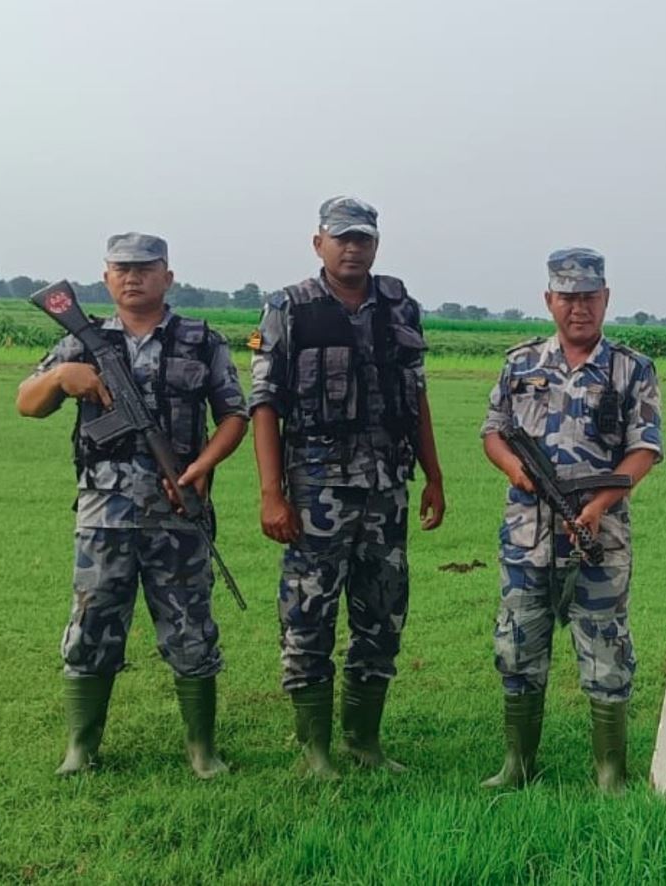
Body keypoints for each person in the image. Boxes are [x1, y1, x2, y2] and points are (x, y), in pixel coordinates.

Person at [16, 233, 248, 778]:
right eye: (121, 268)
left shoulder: (200, 340)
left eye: (145, 268)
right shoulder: (83, 340)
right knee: (93, 624)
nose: (132, 277)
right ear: (105, 278)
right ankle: (80, 748)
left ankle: (202, 751)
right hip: (104, 515)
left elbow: (233, 415)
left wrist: (202, 466)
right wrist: (59, 378)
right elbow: (27, 403)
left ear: (167, 276)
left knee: (191, 628)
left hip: (178, 508)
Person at [248, 197, 446, 778]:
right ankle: (314, 752)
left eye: (362, 238)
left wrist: (434, 474)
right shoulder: (288, 307)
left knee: (382, 613)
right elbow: (265, 404)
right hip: (316, 490)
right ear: (319, 244)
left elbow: (418, 394)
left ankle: (365, 743)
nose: (352, 248)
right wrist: (270, 493)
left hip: (388, 488)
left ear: (376, 244)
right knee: (308, 613)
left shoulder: (399, 305)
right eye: (341, 238)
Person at [479, 247, 662, 791]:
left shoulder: (632, 369)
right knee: (518, 647)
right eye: (567, 297)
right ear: (549, 301)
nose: (578, 308)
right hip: (527, 535)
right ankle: (517, 766)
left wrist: (599, 502)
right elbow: (493, 431)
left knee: (606, 648)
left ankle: (611, 773)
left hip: (598, 537)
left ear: (605, 299)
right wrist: (516, 470)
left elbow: (645, 448)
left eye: (588, 297)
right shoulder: (520, 365)